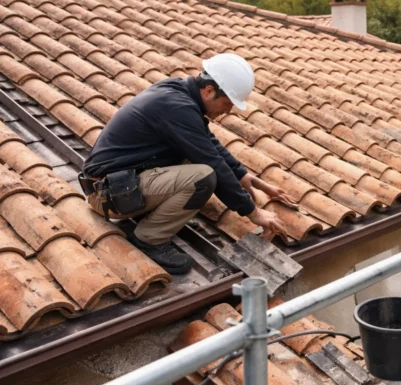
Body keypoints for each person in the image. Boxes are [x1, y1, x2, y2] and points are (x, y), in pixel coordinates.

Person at [80, 53, 295, 274]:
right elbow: (211, 161)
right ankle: (148, 238)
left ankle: (153, 216)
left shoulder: (179, 92)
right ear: (209, 90)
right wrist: (253, 212)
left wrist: (244, 176)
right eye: (227, 103)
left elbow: (207, 142)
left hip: (120, 185)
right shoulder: (177, 107)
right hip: (109, 195)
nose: (228, 111)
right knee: (203, 176)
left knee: (194, 158)